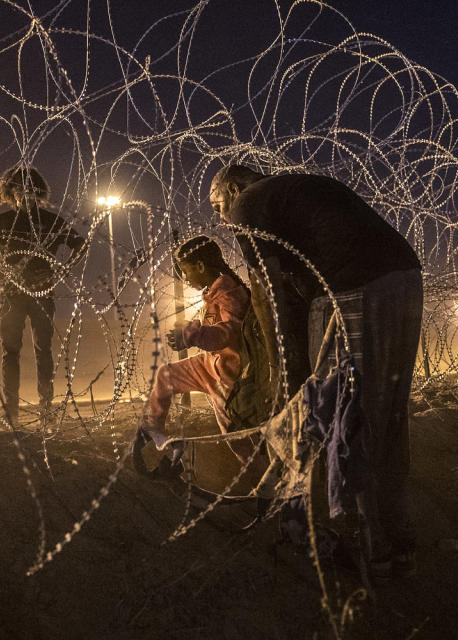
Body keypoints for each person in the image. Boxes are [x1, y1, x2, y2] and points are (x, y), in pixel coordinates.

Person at [210, 165, 423, 578]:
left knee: (345, 416)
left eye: (218, 206)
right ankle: (401, 541)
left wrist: (285, 378)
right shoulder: (293, 190)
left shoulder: (248, 202)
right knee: (387, 414)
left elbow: (267, 292)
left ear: (233, 189)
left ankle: (367, 544)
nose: (222, 218)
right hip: (403, 278)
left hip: (352, 288)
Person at [0, 166, 85, 427]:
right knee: (11, 352)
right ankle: (11, 412)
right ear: (11, 192)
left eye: (32, 190)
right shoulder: (4, 221)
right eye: (21, 190)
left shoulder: (51, 220)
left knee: (42, 350)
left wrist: (61, 271)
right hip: (13, 292)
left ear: (40, 193)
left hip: (41, 290)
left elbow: (80, 244)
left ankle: (45, 409)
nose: (27, 195)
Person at [138, 235, 251, 459]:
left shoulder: (229, 292)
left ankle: (263, 479)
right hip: (209, 365)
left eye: (186, 270)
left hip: (227, 375)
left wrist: (192, 336)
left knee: (237, 437)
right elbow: (212, 325)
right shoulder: (212, 292)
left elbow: (228, 332)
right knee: (166, 375)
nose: (185, 278)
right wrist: (189, 332)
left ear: (200, 265)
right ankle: (153, 430)